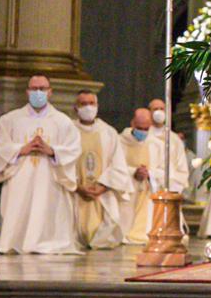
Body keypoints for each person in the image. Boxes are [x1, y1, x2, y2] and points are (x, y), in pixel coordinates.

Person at [0, 75, 82, 254]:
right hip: (20, 175)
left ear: (50, 92)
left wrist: (52, 150)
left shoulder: (62, 121)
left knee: (47, 209)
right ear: (27, 92)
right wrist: (21, 149)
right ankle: (15, 240)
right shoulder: (10, 119)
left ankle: (49, 242)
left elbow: (73, 149)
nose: (38, 92)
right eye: (34, 88)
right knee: (18, 208)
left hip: (50, 176)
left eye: (42, 88)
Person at [121, 100, 191, 244]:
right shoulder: (122, 140)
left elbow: (168, 170)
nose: (143, 132)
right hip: (129, 190)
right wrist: (134, 172)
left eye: (162, 108)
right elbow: (116, 167)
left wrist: (150, 174)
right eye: (155, 108)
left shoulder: (163, 143)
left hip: (152, 188)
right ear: (133, 123)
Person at [71, 90, 133, 251]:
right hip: (74, 192)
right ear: (75, 108)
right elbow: (61, 163)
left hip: (103, 191)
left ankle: (98, 241)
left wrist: (102, 186)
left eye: (91, 103)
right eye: (83, 104)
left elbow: (118, 164)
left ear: (97, 106)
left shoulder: (108, 132)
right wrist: (78, 187)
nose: (88, 107)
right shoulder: (68, 130)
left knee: (107, 226)